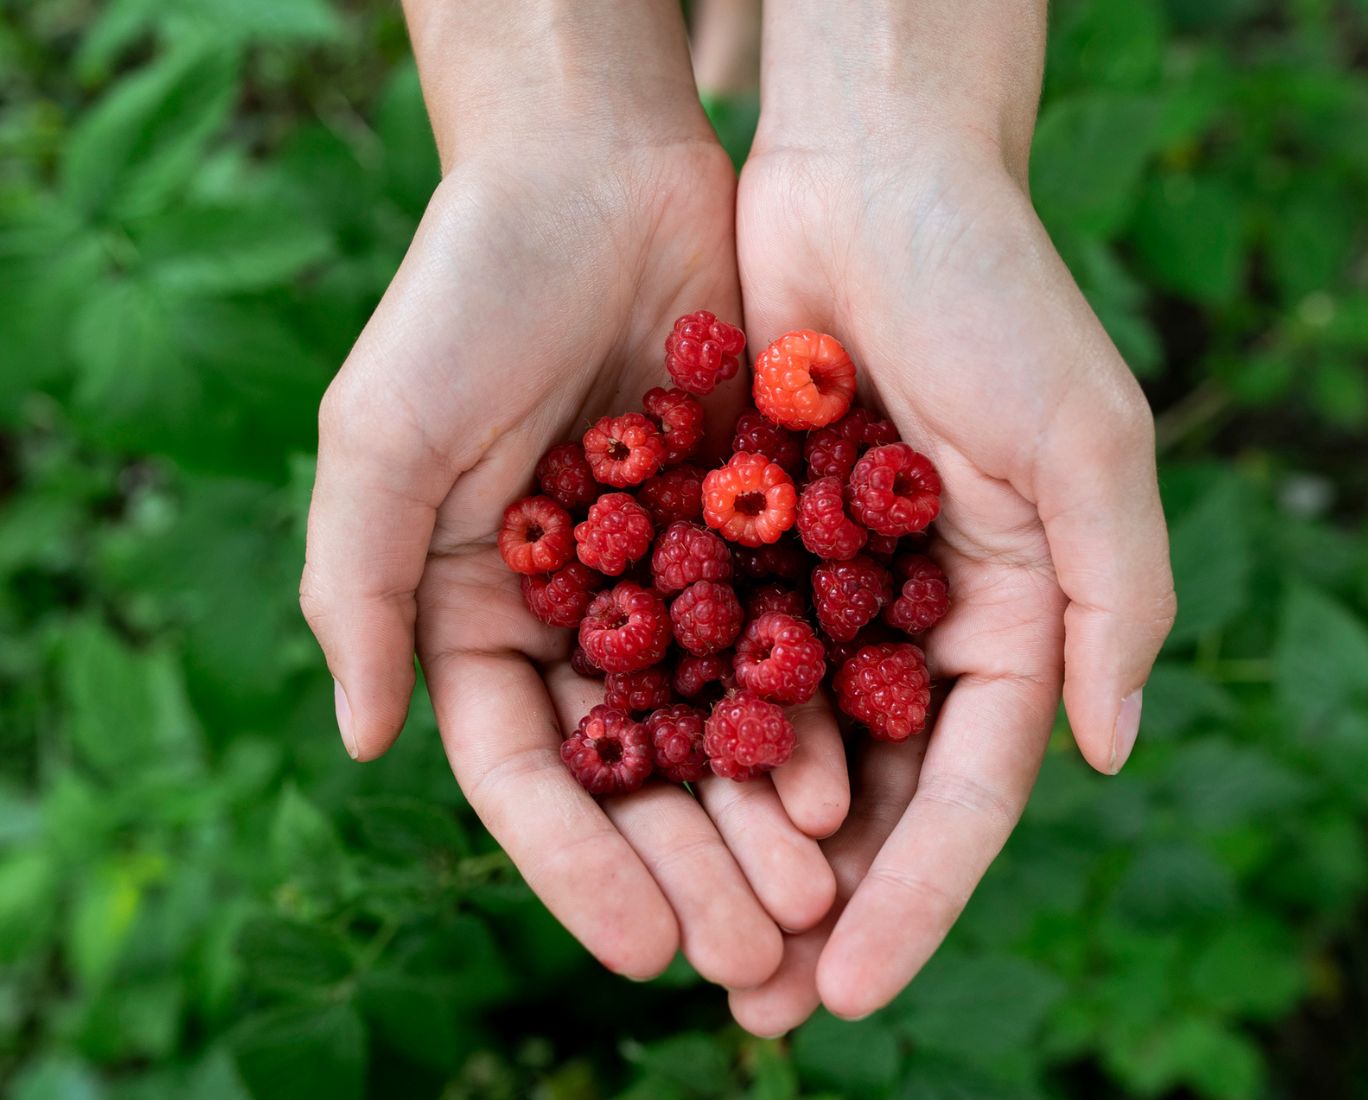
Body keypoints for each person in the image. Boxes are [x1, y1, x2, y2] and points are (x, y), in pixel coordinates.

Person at [298, 0, 1176, 1038]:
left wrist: (905, 136)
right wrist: (549, 140)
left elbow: (776, 588)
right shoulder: (686, 575)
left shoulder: (792, 554)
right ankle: (732, 46)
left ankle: (742, 46)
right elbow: (705, 593)